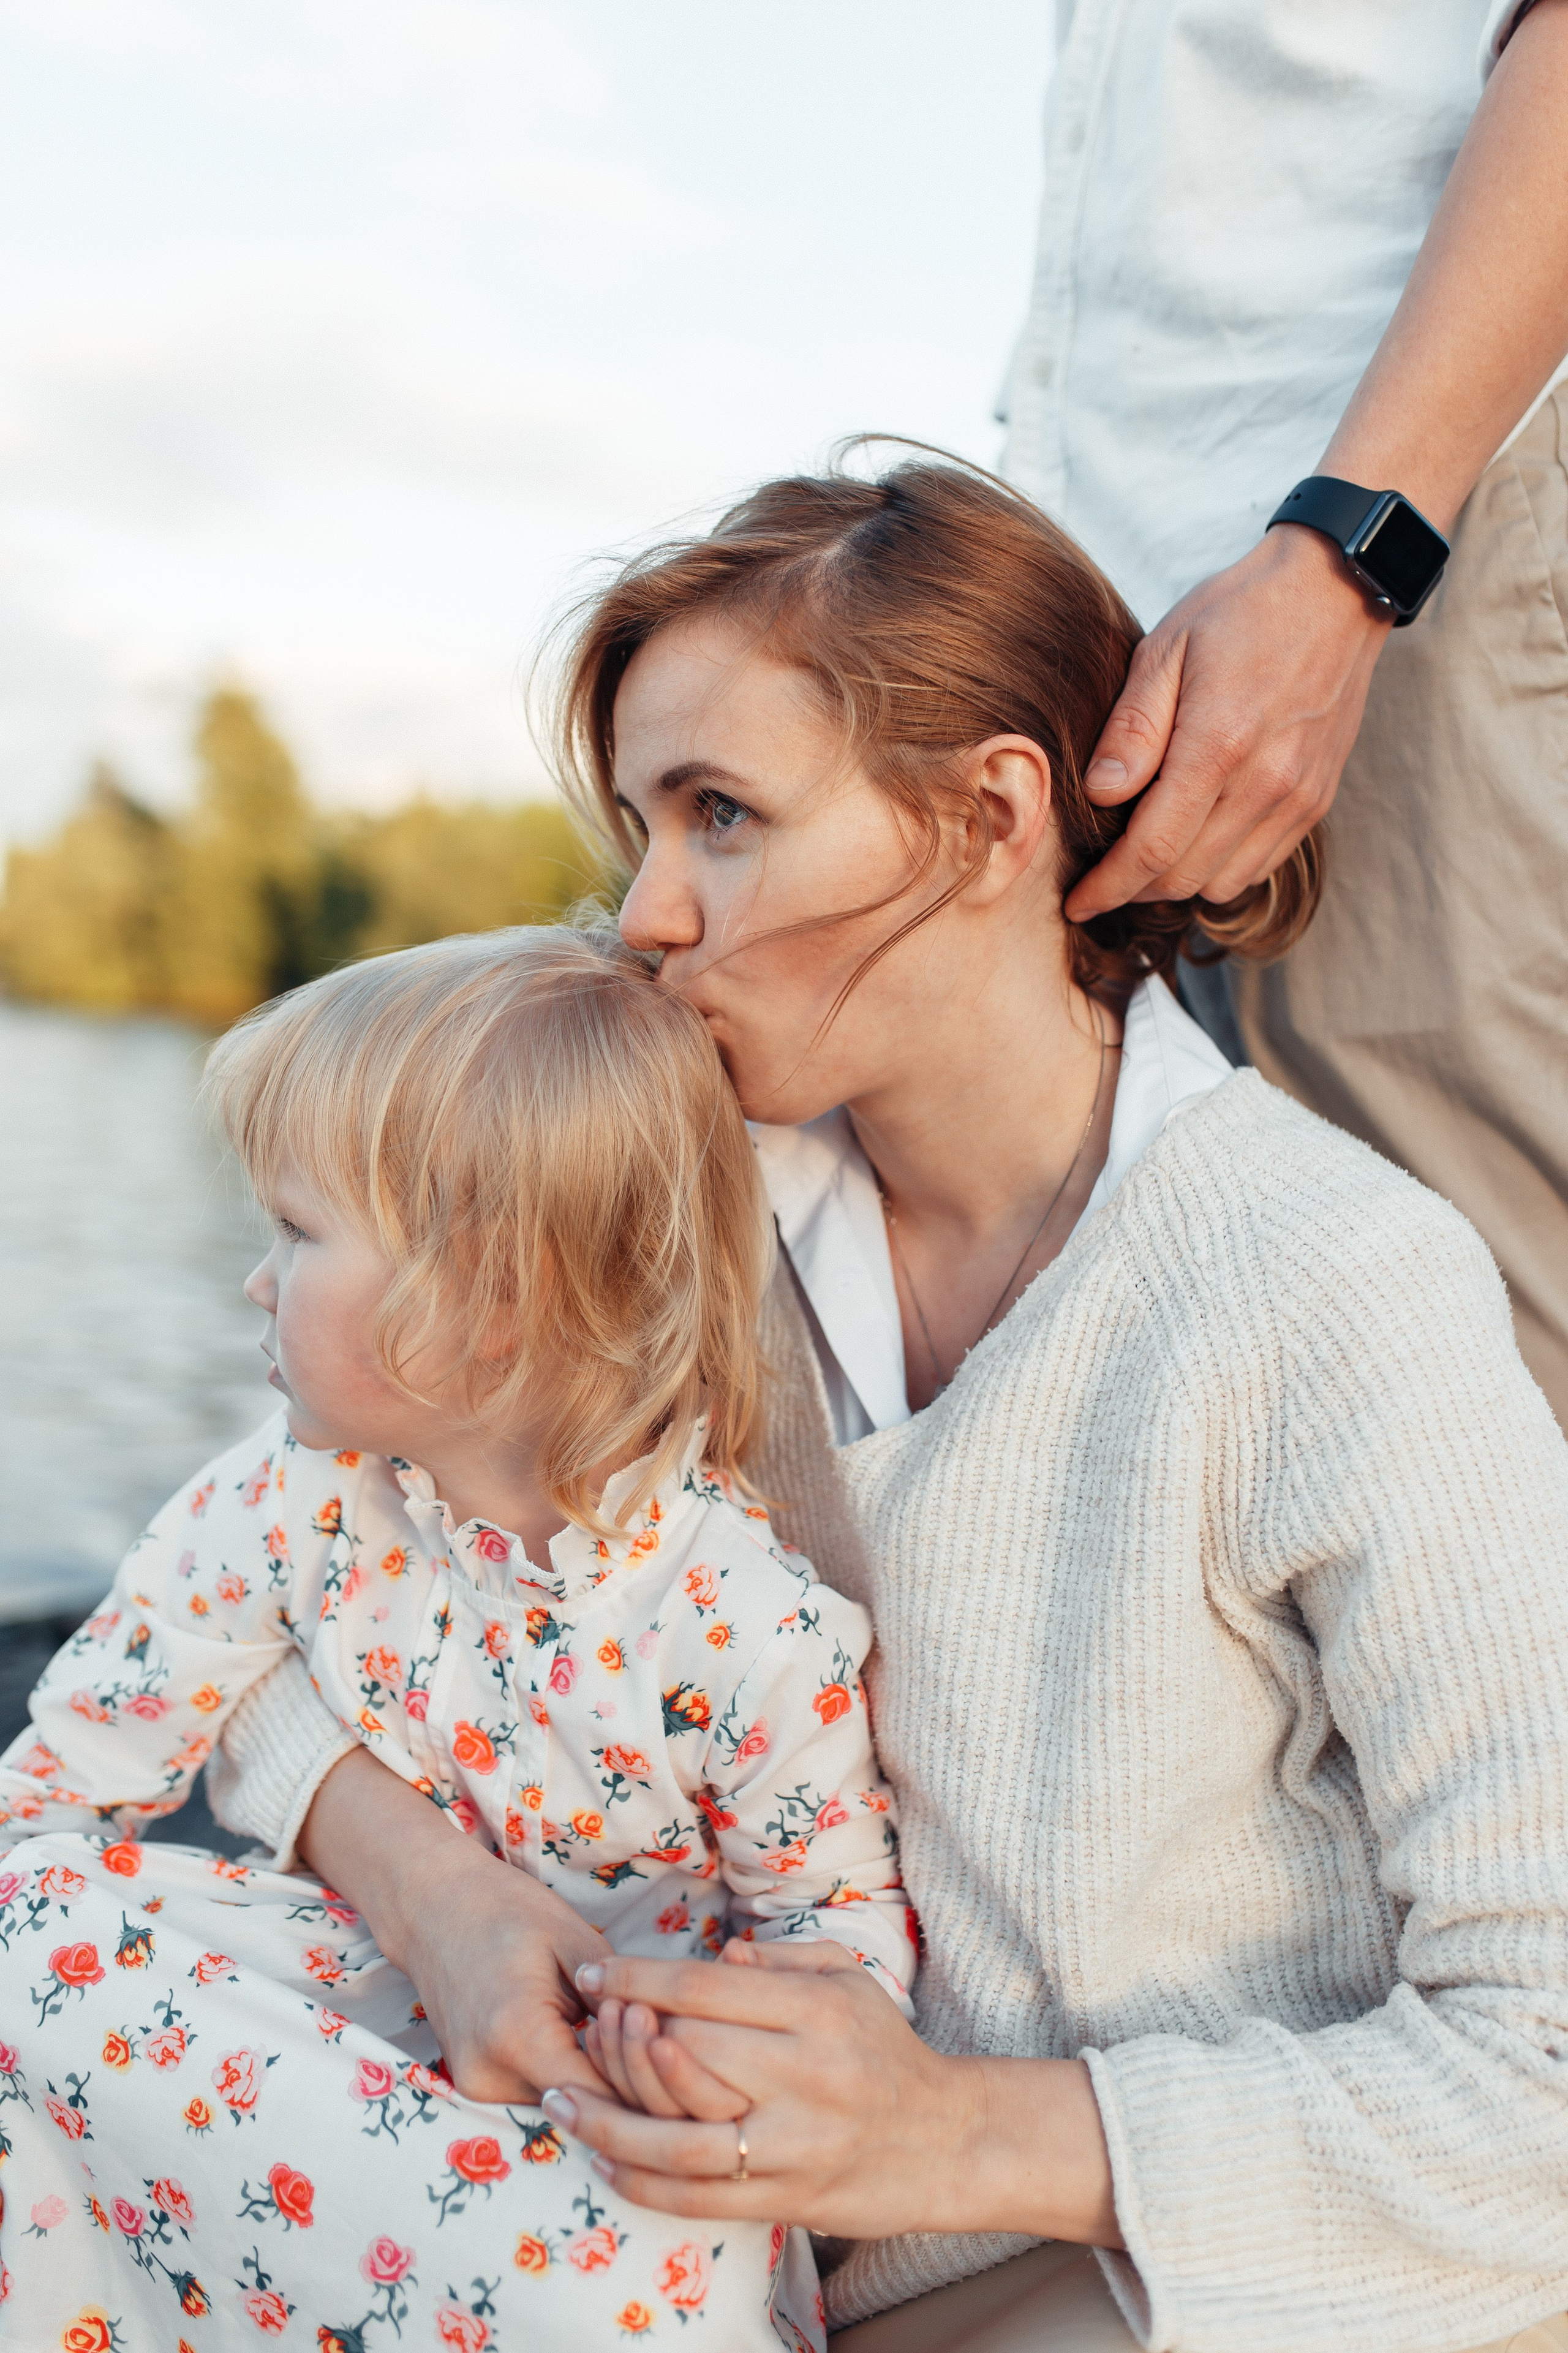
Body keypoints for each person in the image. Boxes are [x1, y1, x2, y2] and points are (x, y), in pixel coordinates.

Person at [205, 456, 1568, 2351]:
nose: (646, 916)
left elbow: (1550, 2092)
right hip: (669, 2268)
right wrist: (432, 1895)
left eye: (724, 817)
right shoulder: (674, 1220)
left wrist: (952, 2137)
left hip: (1183, 2291)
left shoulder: (1335, 1291)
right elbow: (237, 1592)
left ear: (990, 817)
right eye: (640, 829)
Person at [0, 925, 914, 2349]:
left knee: (658, 2297)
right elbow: (63, 1784)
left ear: (480, 1302)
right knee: (17, 1926)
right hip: (327, 2029)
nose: (254, 1281)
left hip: (581, 2133)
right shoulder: (285, 1495)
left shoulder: (744, 1621)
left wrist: (686, 2052)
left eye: (296, 1233)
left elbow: (834, 1942)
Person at [997, 0, 1568, 1425]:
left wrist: (1345, 560)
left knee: (1480, 1398)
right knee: (1240, 1427)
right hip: (1116, 614)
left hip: (1399, 558)